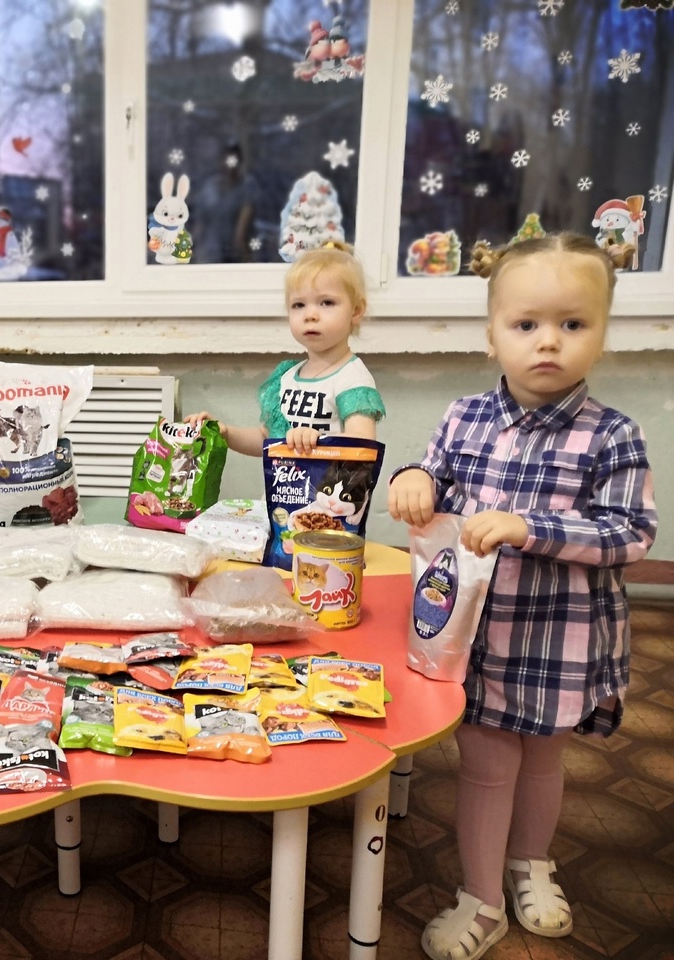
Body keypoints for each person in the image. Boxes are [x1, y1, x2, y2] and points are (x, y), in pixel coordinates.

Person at [387, 233, 657, 960]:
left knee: (542, 762)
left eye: (573, 323)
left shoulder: (613, 436)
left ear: (603, 331)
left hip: (562, 637)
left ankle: (531, 862)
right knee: (487, 767)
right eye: (526, 323)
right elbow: (432, 476)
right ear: (492, 334)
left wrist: (529, 527)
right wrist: (412, 479)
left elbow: (631, 533)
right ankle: (481, 899)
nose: (549, 342)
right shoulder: (464, 416)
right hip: (475, 635)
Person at [185, 241, 384, 454]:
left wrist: (318, 441)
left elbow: (362, 442)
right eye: (299, 305)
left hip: (329, 478)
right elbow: (266, 440)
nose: (310, 315)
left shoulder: (351, 378)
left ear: (356, 311)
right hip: (281, 477)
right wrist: (225, 433)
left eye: (326, 302)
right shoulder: (287, 377)